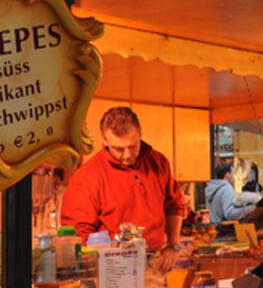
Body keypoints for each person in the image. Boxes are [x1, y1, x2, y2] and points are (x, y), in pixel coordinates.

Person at [61, 107, 185, 255]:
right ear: (105, 141)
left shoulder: (159, 162)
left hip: (156, 263)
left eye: (132, 147)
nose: (127, 155)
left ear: (140, 135)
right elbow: (77, 235)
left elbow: (174, 205)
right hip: (112, 265)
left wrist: (173, 245)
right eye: (119, 149)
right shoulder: (87, 176)